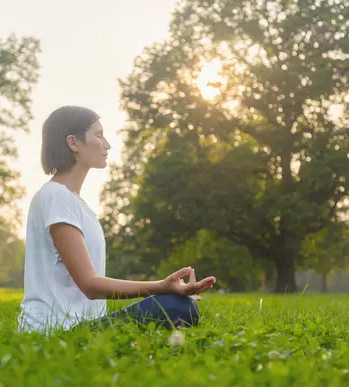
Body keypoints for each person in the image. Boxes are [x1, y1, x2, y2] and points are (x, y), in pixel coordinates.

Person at [17, 105, 216, 334]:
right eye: (99, 135)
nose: (107, 144)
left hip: (80, 326)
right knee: (176, 306)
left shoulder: (76, 204)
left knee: (180, 305)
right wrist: (161, 287)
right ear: (73, 143)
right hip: (56, 331)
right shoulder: (55, 196)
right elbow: (90, 285)